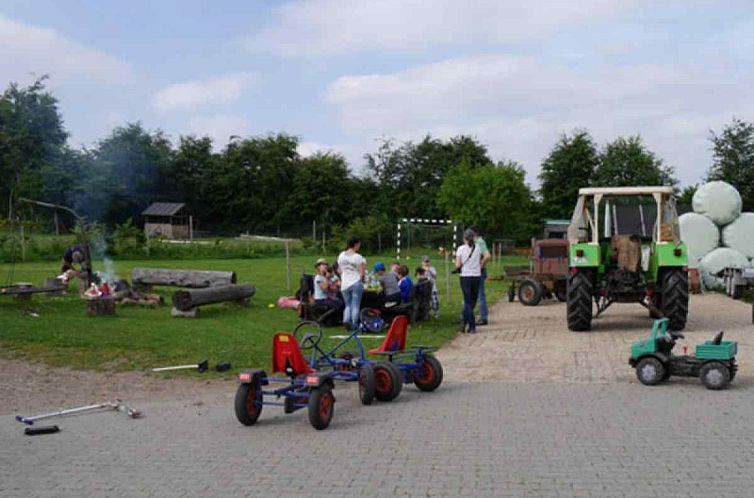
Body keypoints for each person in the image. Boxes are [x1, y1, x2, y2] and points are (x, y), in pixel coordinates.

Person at [456, 228, 482, 334]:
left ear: (464, 238)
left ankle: (471, 325)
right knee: (473, 301)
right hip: (476, 276)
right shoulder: (478, 248)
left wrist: (459, 267)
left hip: (465, 276)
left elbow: (458, 265)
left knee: (467, 301)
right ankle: (465, 322)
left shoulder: (461, 249)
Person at [337, 237, 366, 329]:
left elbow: (339, 270)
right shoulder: (358, 257)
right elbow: (362, 273)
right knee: (355, 305)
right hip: (355, 282)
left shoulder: (341, 255)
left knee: (348, 305)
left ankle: (346, 320)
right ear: (356, 244)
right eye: (359, 245)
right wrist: (362, 280)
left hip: (345, 283)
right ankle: (354, 324)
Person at [470, 226, 491, 325]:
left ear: (475, 233)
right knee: (475, 293)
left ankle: (483, 317)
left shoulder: (480, 242)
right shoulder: (477, 242)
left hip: (478, 272)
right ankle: (467, 315)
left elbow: (487, 256)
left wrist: (480, 266)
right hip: (476, 271)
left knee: (479, 294)